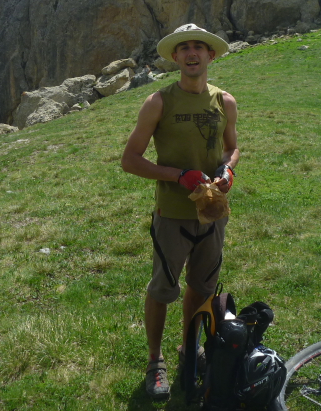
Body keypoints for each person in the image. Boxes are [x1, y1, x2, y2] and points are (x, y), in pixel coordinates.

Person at [121, 23, 240, 400]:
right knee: (162, 289)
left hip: (213, 213)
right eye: (184, 48)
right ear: (176, 57)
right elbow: (130, 160)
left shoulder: (225, 102)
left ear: (211, 55)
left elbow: (231, 148)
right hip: (171, 214)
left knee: (202, 287)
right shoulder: (159, 101)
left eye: (199, 48)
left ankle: (189, 348)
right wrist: (178, 175)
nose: (192, 53)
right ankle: (155, 361)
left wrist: (228, 170)